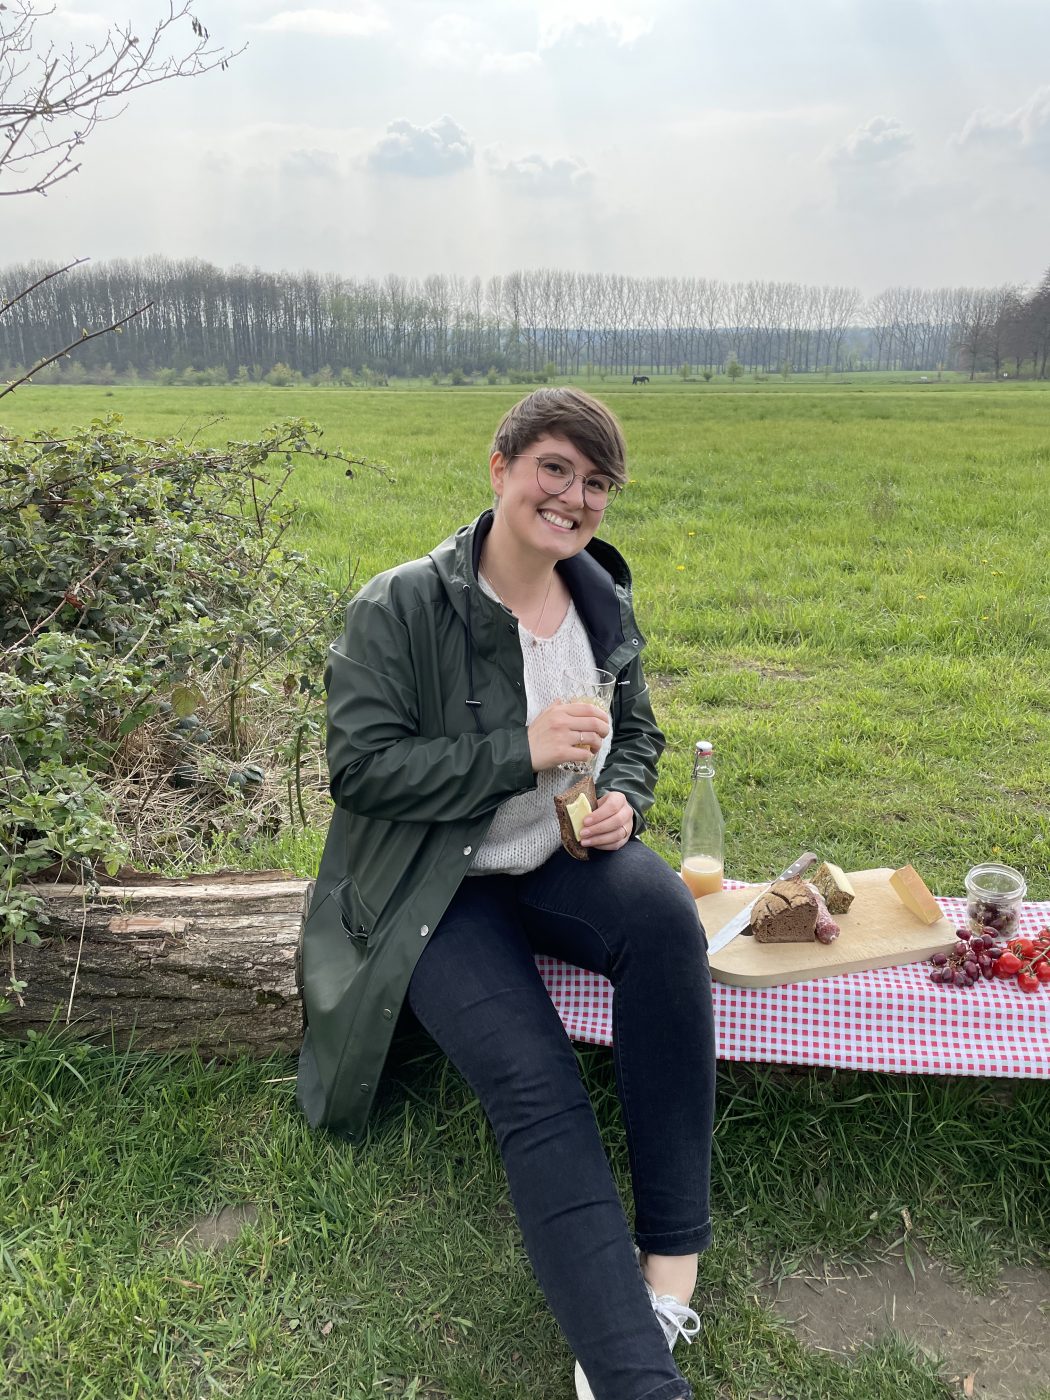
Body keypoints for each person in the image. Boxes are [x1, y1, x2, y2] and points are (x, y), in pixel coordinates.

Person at [297, 388, 716, 1400]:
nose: (573, 497)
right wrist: (513, 750)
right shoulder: (399, 604)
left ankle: (668, 1274)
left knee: (666, 920)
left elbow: (640, 733)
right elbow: (361, 768)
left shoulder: (601, 601)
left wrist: (621, 795)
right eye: (556, 468)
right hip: (438, 885)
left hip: (556, 857)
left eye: (596, 481)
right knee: (536, 1079)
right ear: (501, 467)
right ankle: (635, 1378)